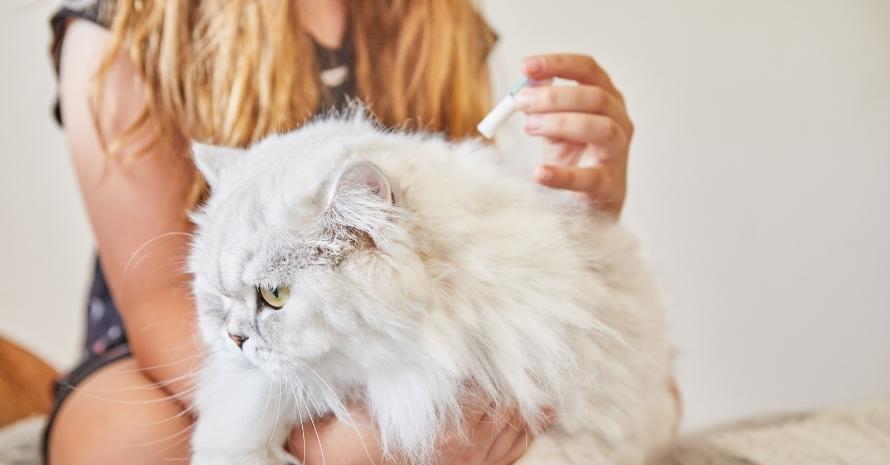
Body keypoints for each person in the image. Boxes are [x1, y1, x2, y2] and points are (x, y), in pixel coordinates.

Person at [44, 1, 642, 464]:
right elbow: (154, 294)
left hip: (379, 316)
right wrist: (318, 443)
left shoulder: (440, 19)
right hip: (186, 336)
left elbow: (451, 240)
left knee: (622, 388)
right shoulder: (128, 24)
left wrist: (582, 206)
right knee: (125, 441)